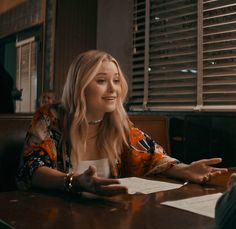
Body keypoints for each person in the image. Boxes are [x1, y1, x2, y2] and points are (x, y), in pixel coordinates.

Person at [16, 50, 228, 196]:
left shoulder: (118, 122)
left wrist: (185, 170)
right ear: (79, 86)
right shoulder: (49, 118)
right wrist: (73, 182)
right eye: (101, 81)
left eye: (116, 80)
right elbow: (33, 168)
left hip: (106, 215)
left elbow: (152, 157)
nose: (113, 89)